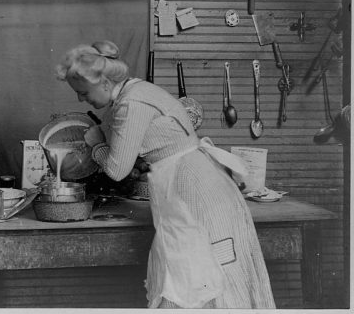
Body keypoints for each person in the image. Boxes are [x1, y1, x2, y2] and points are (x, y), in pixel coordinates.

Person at [55, 40, 275, 309]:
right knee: (206, 276)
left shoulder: (130, 105)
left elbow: (116, 170)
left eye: (83, 92)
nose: (81, 99)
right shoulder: (139, 89)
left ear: (102, 83)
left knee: (199, 276)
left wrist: (97, 143)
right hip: (198, 181)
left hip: (193, 192)